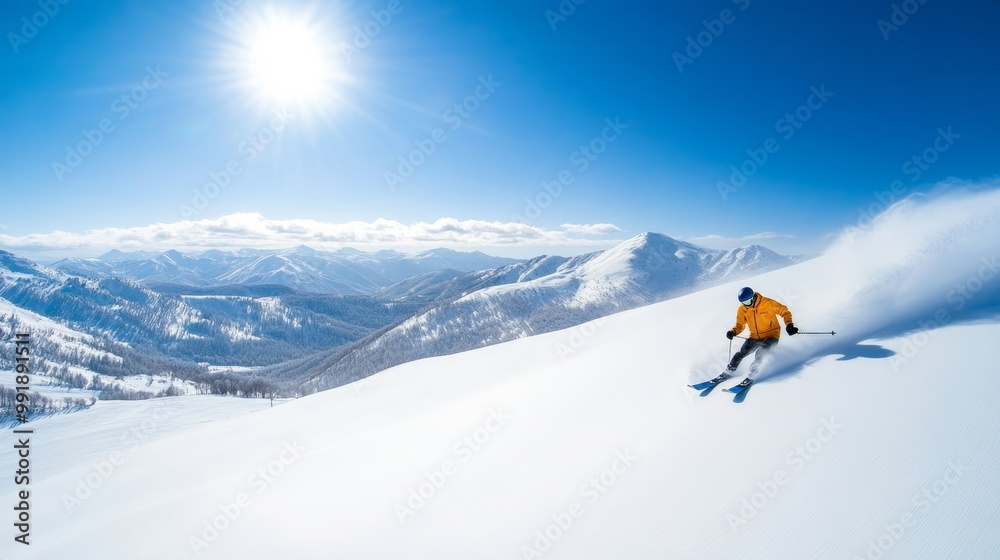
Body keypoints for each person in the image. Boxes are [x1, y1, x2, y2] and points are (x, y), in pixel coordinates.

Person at [720, 286, 797, 386]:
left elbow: (784, 312)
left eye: (748, 301)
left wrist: (789, 325)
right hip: (755, 336)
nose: (747, 304)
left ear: (753, 297)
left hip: (771, 334)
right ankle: (729, 371)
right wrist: (733, 332)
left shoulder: (767, 303)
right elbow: (740, 325)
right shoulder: (742, 309)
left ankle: (752, 375)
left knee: (761, 352)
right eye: (744, 303)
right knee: (741, 353)